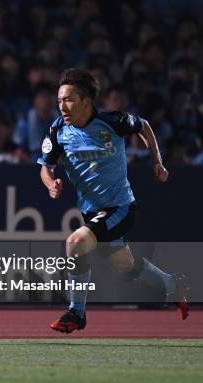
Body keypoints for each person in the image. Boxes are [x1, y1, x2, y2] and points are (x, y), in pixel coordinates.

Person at [37, 68, 189, 333]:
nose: (62, 106)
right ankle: (171, 284)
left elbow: (144, 126)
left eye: (69, 99)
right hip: (91, 212)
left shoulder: (113, 121)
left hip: (120, 207)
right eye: (59, 100)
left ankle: (76, 313)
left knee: (75, 243)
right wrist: (51, 184)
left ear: (87, 101)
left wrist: (157, 161)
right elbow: (45, 167)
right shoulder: (57, 132)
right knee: (125, 267)